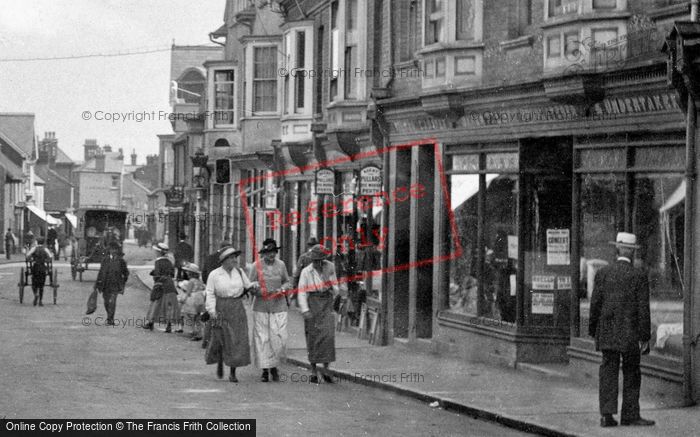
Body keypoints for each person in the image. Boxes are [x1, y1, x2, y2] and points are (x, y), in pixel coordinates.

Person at [589, 232, 655, 428]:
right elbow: (643, 309)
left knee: (608, 370)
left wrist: (593, 330)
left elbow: (595, 305)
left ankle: (606, 416)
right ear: (632, 252)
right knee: (632, 371)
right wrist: (645, 337)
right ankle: (630, 415)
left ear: (617, 248)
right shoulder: (639, 276)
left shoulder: (603, 273)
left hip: (607, 331)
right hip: (630, 333)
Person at [205, 247, 258, 383]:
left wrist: (254, 286)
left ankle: (233, 371)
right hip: (221, 307)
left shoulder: (239, 272)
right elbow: (210, 293)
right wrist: (212, 311)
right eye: (231, 258)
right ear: (224, 260)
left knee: (237, 339)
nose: (235, 260)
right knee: (221, 338)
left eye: (235, 257)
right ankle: (220, 362)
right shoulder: (215, 275)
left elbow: (247, 285)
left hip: (237, 308)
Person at [297, 244, 345, 383]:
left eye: (320, 260)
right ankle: (313, 370)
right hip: (313, 303)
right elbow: (301, 291)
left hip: (326, 302)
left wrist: (333, 288)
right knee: (313, 337)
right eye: (315, 260)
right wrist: (305, 309)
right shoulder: (307, 271)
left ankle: (326, 369)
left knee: (328, 336)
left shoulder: (329, 267)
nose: (318, 263)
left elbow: (336, 286)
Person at [248, 239, 291, 382]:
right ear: (263, 253)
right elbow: (249, 284)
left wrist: (283, 289)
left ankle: (274, 366)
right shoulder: (256, 266)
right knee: (263, 338)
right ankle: (266, 370)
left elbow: (287, 281)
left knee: (278, 337)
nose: (271, 255)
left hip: (278, 306)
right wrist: (257, 289)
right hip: (261, 306)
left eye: (273, 252)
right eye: (268, 252)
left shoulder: (281, 265)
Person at [144, 242, 179, 332]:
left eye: (156, 251)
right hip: (170, 284)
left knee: (155, 303)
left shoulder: (158, 261)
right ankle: (169, 326)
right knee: (168, 306)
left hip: (161, 284)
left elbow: (157, 274)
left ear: (159, 252)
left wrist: (155, 275)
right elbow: (172, 273)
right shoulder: (169, 261)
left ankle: (150, 323)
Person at [94, 241, 129, 325]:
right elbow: (101, 272)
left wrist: (122, 282)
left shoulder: (121, 261)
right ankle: (109, 315)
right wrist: (97, 284)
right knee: (106, 302)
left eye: (115, 249)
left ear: (117, 250)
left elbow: (126, 273)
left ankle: (110, 319)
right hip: (105, 284)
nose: (113, 251)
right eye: (111, 249)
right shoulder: (105, 260)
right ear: (109, 250)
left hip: (115, 285)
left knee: (112, 301)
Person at [178, 262, 205, 341]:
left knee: (188, 315)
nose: (187, 273)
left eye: (188, 272)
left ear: (191, 273)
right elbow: (203, 288)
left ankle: (192, 330)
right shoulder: (199, 281)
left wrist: (183, 299)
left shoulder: (191, 281)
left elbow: (188, 292)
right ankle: (199, 332)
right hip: (200, 299)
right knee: (198, 316)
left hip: (192, 299)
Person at [26, 237, 52, 306]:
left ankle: (35, 294)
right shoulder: (45, 249)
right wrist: (46, 260)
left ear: (37, 242)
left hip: (35, 267)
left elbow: (28, 255)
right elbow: (50, 257)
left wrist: (31, 259)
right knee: (41, 286)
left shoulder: (34, 249)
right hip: (43, 267)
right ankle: (40, 301)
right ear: (43, 242)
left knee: (34, 284)